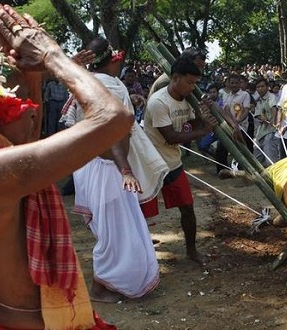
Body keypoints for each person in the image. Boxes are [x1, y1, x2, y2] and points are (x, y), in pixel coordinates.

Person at [0, 4, 133, 329]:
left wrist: (32, 74)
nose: (34, 112)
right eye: (22, 101)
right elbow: (115, 118)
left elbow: (28, 140)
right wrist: (54, 57)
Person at [70, 37, 164, 303]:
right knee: (116, 230)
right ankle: (103, 284)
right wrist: (125, 169)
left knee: (112, 228)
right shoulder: (112, 86)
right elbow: (115, 131)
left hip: (88, 164)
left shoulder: (81, 84)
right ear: (115, 59)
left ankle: (115, 280)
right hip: (109, 165)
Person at [141, 57, 218, 266]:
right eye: (190, 82)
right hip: (151, 164)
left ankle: (191, 250)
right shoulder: (158, 102)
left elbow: (188, 124)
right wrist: (203, 130)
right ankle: (141, 251)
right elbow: (171, 137)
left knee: (187, 207)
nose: (193, 87)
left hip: (173, 162)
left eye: (195, 83)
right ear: (175, 78)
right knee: (143, 212)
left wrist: (202, 118)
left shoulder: (188, 99)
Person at [252, 77, 279, 166]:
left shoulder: (271, 97)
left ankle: (274, 178)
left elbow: (274, 108)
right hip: (260, 132)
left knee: (270, 160)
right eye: (258, 87)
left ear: (267, 87)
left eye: (262, 86)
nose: (260, 88)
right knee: (256, 159)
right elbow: (258, 115)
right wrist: (261, 117)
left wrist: (273, 121)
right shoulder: (259, 100)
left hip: (270, 131)